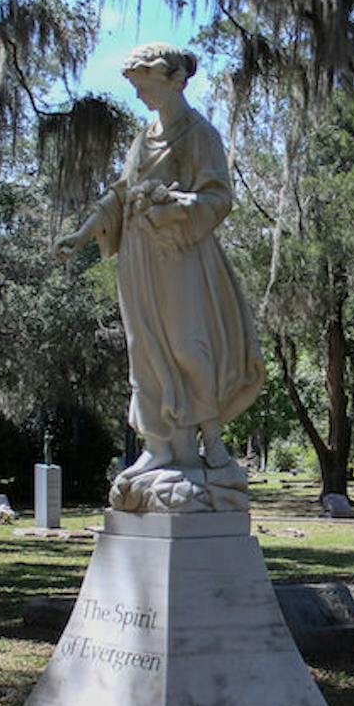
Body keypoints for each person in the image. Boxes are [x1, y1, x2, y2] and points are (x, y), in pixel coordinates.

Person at [56, 42, 264, 510]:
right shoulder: (142, 139)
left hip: (180, 253)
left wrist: (174, 208)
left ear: (174, 80)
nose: (138, 95)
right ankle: (159, 447)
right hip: (139, 258)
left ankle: (212, 442)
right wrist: (83, 234)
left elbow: (218, 197)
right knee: (144, 351)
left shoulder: (198, 134)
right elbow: (119, 195)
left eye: (143, 84)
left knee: (189, 346)